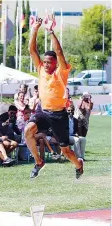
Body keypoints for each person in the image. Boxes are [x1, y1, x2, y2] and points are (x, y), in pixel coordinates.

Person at [27, 14, 83, 179]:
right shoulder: (40, 69)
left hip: (59, 115)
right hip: (43, 111)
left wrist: (50, 31)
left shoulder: (61, 72)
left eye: (49, 62)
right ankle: (39, 162)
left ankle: (79, 165)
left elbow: (59, 52)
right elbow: (32, 50)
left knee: (66, 151)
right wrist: (35, 29)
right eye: (44, 62)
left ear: (55, 63)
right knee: (28, 131)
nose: (45, 64)